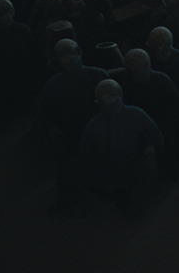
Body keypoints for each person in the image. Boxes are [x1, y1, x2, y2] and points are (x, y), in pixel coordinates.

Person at [52, 79, 162, 217]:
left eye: (112, 96)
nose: (110, 101)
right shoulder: (93, 124)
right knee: (70, 167)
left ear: (120, 96)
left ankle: (136, 208)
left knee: (149, 165)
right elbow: (84, 151)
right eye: (105, 98)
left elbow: (155, 135)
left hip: (132, 165)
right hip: (105, 167)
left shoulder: (137, 114)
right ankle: (70, 203)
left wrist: (150, 146)